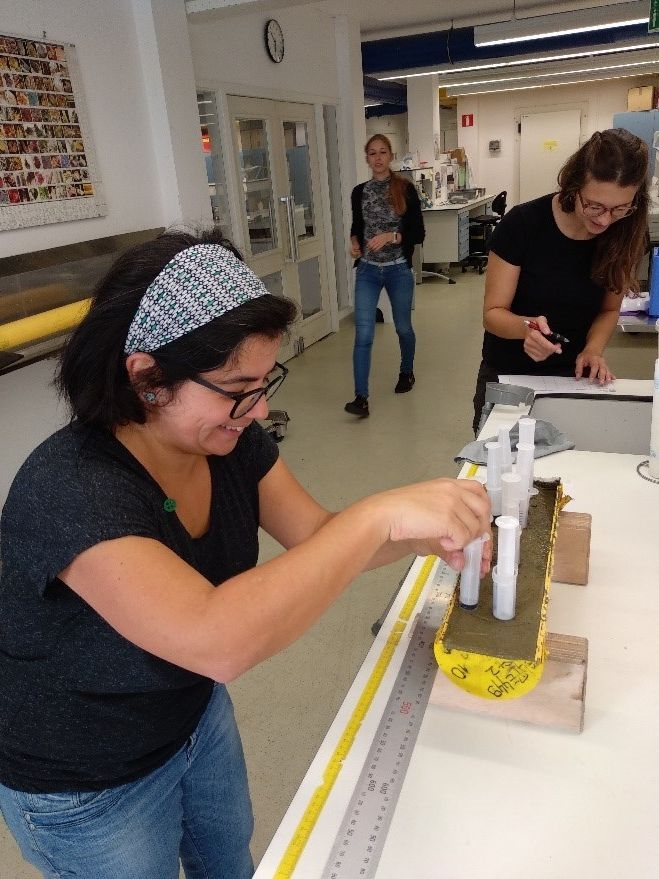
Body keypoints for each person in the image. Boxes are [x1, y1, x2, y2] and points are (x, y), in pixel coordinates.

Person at [0, 227, 491, 879]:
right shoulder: (71, 487)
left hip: (189, 711)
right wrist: (378, 514)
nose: (259, 409)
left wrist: (428, 527)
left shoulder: (227, 442)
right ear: (146, 376)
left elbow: (319, 537)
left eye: (264, 381)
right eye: (238, 387)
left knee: (228, 859)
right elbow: (216, 638)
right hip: (88, 777)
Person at [472, 127, 649, 435]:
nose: (605, 220)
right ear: (574, 186)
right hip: (509, 374)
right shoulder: (522, 225)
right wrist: (526, 328)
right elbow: (493, 313)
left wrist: (593, 349)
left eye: (619, 208)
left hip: (574, 376)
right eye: (594, 205)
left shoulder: (627, 230)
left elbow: (609, 310)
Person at [345, 133, 425, 418]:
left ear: (391, 156)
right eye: (372, 153)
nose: (377, 158)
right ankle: (361, 398)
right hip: (367, 269)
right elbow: (357, 224)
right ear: (367, 158)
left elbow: (418, 232)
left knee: (403, 327)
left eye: (382, 152)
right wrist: (354, 241)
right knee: (364, 333)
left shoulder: (405, 189)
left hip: (398, 269)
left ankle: (407, 372)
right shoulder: (360, 191)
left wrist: (392, 236)